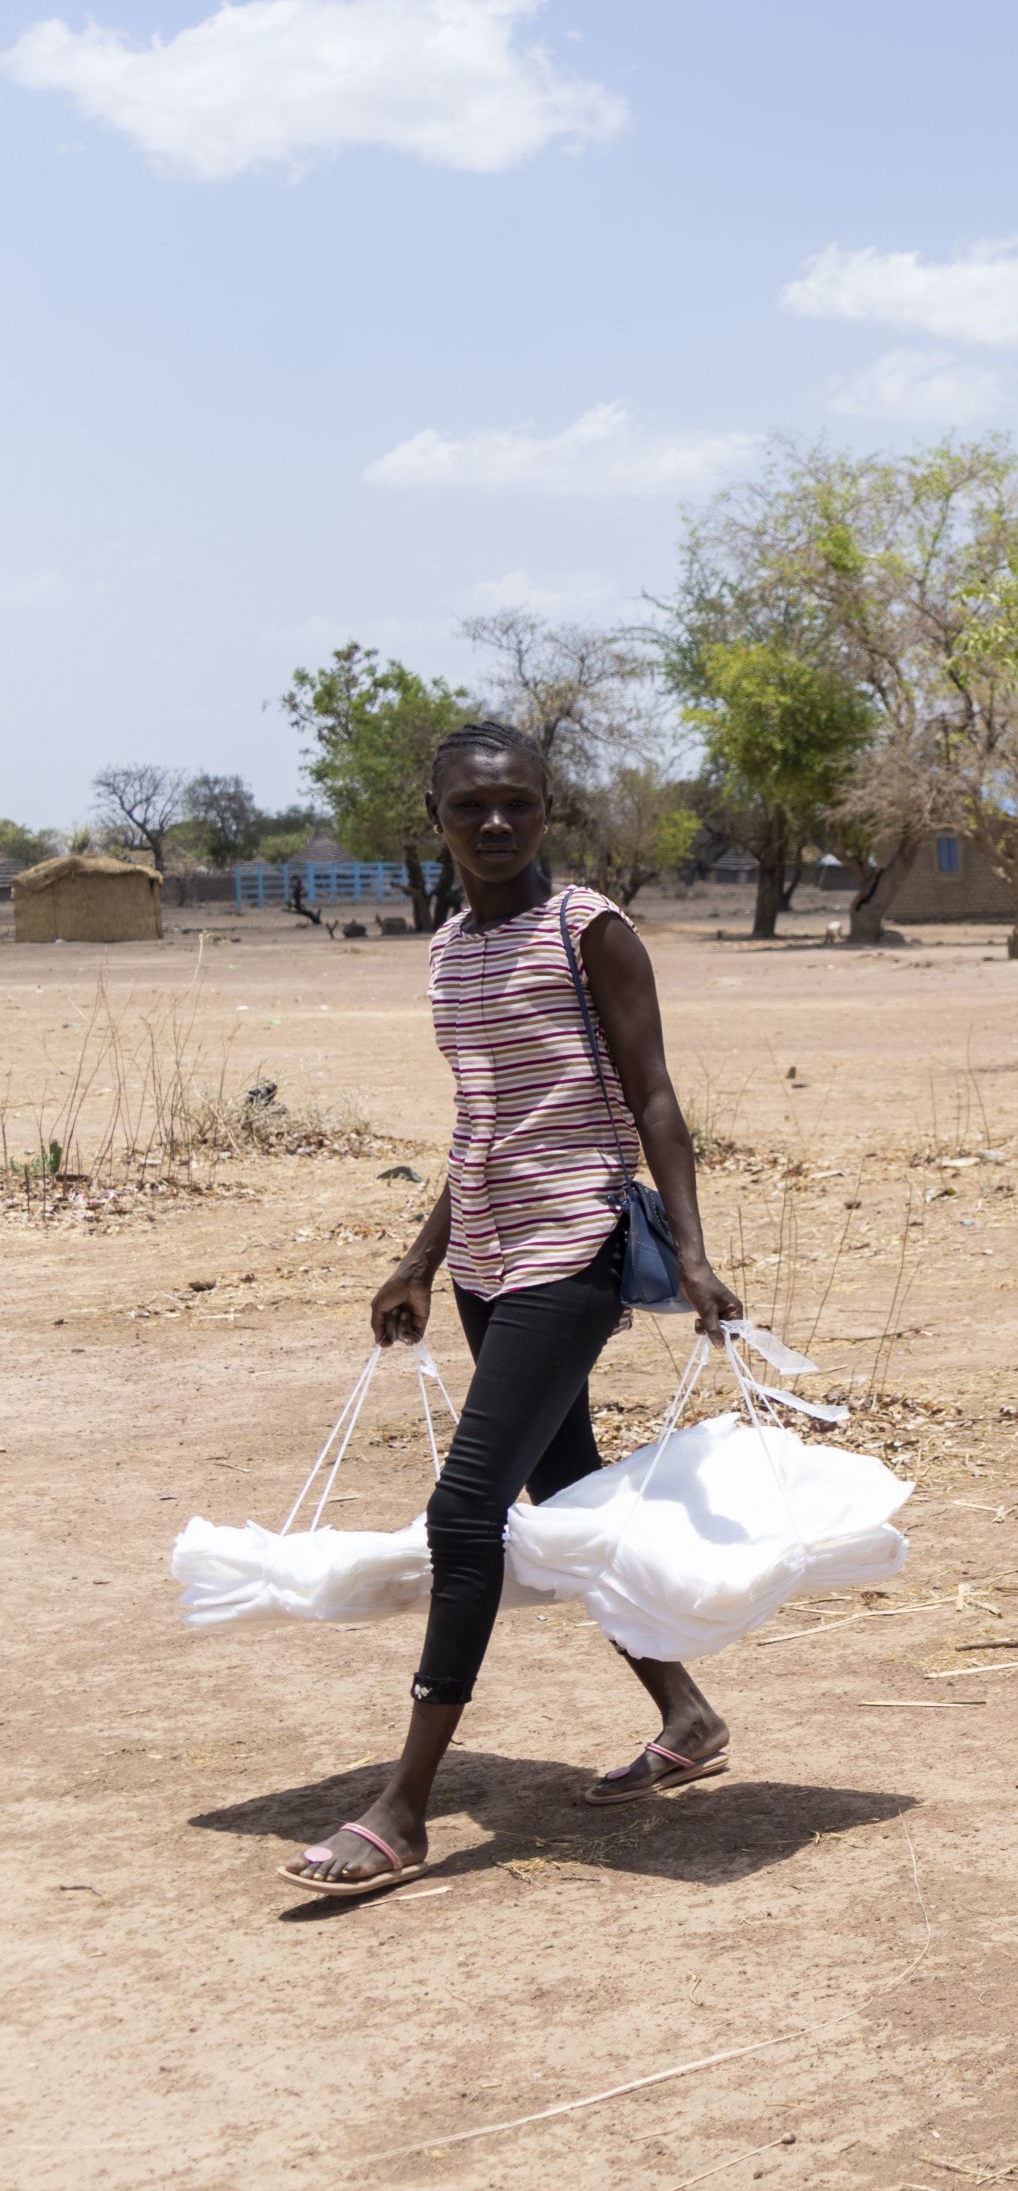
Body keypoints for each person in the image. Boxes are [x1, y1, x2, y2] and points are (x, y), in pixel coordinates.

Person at [279, 721, 749, 1898]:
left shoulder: (589, 929)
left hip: (575, 1245)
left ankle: (405, 1806)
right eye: (472, 808)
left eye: (520, 806)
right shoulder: (447, 950)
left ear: (548, 811)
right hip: (489, 1254)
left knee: (463, 1512)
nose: (497, 825)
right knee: (565, 1493)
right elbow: (480, 1125)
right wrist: (420, 1259)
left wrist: (690, 1252)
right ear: (434, 815)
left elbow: (655, 1097)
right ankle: (684, 1712)